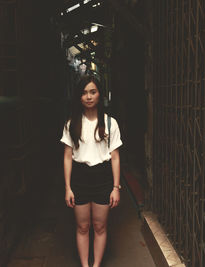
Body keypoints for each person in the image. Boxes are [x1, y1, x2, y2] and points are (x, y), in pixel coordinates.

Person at [60, 75, 123, 267]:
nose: (88, 96)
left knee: (100, 226)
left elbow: (115, 157)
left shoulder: (110, 123)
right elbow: (67, 156)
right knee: (82, 226)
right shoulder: (71, 124)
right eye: (84, 92)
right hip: (80, 178)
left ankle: (95, 265)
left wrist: (115, 187)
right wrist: (68, 187)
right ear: (79, 97)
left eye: (92, 92)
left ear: (99, 95)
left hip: (103, 178)